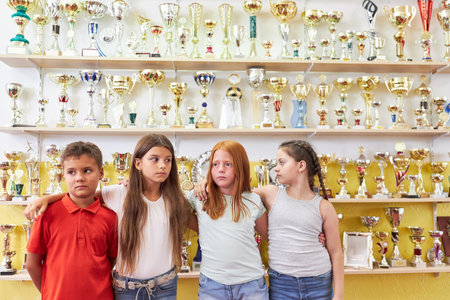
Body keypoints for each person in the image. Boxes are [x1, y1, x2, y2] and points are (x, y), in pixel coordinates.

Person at [25, 134, 194, 300]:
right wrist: (45, 199)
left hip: (164, 286)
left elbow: (110, 257)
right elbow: (81, 195)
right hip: (127, 289)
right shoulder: (118, 193)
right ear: (138, 163)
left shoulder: (175, 200)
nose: (162, 165)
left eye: (168, 160)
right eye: (155, 159)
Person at [195, 140, 344, 300]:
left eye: (281, 162)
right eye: (277, 163)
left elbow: (336, 252)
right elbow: (236, 190)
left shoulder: (324, 207)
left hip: (318, 281)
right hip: (282, 282)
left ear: (301, 166)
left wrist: (339, 294)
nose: (276, 168)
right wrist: (206, 182)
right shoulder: (269, 193)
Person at [26, 141, 118, 300]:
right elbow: (32, 264)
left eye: (87, 170)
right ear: (63, 174)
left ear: (101, 173)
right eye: (71, 172)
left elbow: (110, 260)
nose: (79, 178)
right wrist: (50, 293)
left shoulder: (111, 218)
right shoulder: (46, 214)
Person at [186, 140, 269, 300]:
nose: (220, 170)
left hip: (251, 285)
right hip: (212, 285)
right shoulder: (200, 197)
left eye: (228, 164)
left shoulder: (253, 200)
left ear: (240, 166)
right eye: (215, 164)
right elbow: (174, 208)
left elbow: (271, 236)